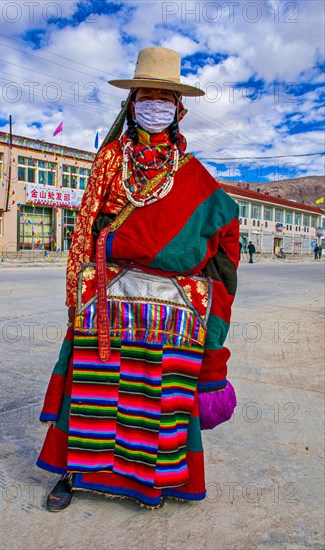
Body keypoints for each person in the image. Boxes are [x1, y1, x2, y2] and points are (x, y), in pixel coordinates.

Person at [37, 47, 239, 511]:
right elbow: (86, 222)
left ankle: (149, 481)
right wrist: (76, 293)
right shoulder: (111, 159)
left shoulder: (191, 173)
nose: (155, 105)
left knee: (154, 396)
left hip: (168, 307)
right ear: (132, 103)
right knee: (92, 390)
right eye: (146, 96)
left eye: (164, 97)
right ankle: (72, 471)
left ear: (177, 108)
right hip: (107, 296)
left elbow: (223, 229)